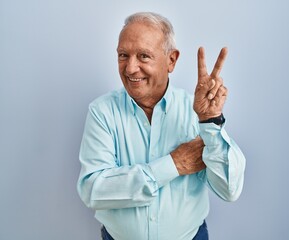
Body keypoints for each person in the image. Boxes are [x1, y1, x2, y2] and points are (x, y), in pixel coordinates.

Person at [77, 12, 246, 240]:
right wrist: (173, 164)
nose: (130, 68)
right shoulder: (102, 112)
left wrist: (211, 121)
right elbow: (93, 190)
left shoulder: (195, 111)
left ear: (171, 60)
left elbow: (229, 190)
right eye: (123, 55)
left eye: (144, 56)